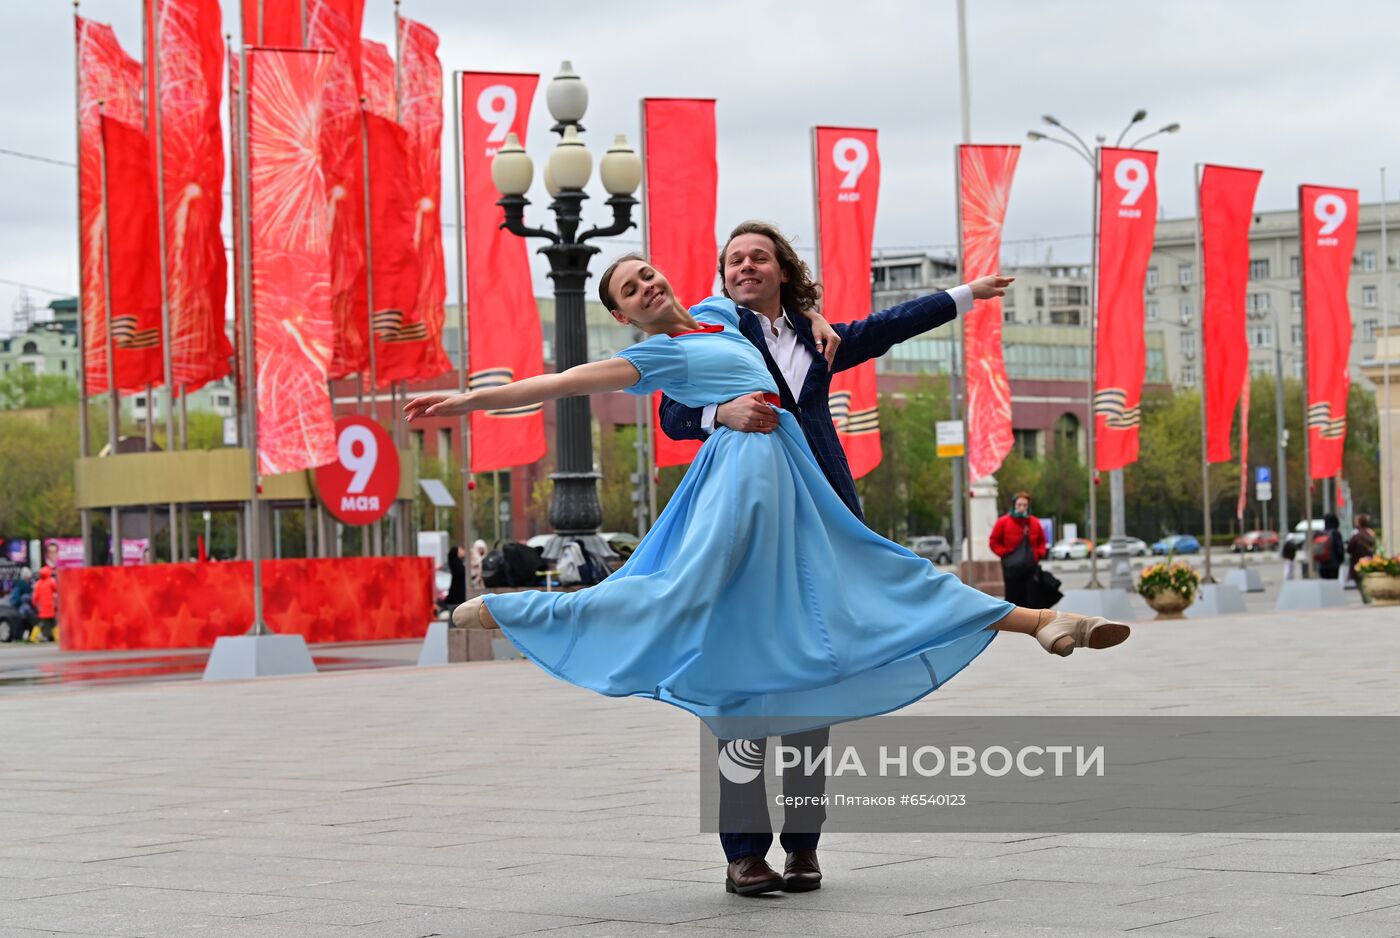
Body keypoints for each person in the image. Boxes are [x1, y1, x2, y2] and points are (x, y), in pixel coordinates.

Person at [404, 255, 1131, 897]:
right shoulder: (658, 355)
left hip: (803, 496)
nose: (648, 284)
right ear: (624, 314)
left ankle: (1041, 623)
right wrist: (471, 400)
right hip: (742, 486)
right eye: (631, 287)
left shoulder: (729, 314)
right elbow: (571, 384)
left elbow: (881, 323)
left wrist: (953, 294)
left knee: (886, 587)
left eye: (647, 271)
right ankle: (529, 613)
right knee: (688, 608)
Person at [656, 221, 993, 889]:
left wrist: (965, 294)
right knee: (743, 689)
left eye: (758, 257)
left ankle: (803, 846)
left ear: (783, 269)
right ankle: (744, 854)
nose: (745, 266)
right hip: (746, 531)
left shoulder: (818, 337)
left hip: (824, 521)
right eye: (734, 260)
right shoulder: (712, 333)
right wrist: (717, 414)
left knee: (817, 685)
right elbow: (670, 415)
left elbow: (887, 326)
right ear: (724, 276)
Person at [989, 491, 1049, 606]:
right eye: (1019, 505)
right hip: (1011, 567)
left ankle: (1030, 623)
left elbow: (1042, 541)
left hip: (1030, 566)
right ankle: (1014, 623)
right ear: (1014, 505)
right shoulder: (1003, 522)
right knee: (1013, 598)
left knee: (1031, 597)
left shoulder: (1034, 522)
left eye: (1025, 505)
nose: (1022, 508)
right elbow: (993, 541)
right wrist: (1005, 553)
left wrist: (1038, 554)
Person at [1346, 514, 1378, 597]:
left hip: (1357, 561)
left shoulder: (1356, 535)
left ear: (1358, 523)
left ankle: (1366, 598)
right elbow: (1375, 545)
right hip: (1370, 561)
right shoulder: (1370, 533)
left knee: (1360, 582)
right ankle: (1368, 598)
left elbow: (1349, 549)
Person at [1315, 513, 1345, 580]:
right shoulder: (1335, 533)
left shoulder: (1320, 533)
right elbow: (1340, 549)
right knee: (1333, 585)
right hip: (1333, 565)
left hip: (1322, 564)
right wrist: (1341, 560)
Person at [32, 565, 57, 643]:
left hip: (42, 607)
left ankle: (33, 636)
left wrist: (35, 604)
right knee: (54, 623)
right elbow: (56, 589)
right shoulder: (51, 582)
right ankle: (58, 638)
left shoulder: (38, 583)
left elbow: (35, 597)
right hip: (50, 606)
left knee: (41, 623)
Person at [446, 545, 467, 611]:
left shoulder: (455, 561)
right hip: (457, 594)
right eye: (460, 549)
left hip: (455, 593)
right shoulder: (456, 562)